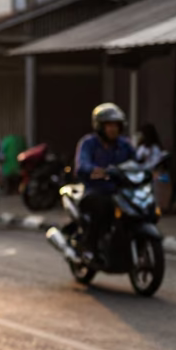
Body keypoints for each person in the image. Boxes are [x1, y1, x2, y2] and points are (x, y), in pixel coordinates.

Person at [74, 103, 136, 255]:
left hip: (121, 191)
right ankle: (90, 246)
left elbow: (137, 162)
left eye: (116, 125)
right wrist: (98, 171)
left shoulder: (125, 145)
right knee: (102, 207)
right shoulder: (88, 143)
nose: (113, 129)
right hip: (95, 190)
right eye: (109, 125)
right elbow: (82, 166)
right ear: (100, 126)